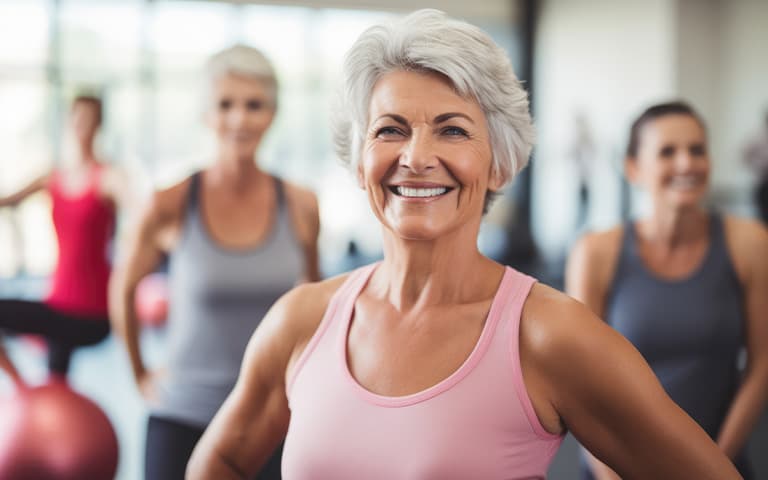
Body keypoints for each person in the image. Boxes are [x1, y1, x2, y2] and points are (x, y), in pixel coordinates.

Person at [187, 10, 742, 480]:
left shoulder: (549, 335)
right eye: (390, 129)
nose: (417, 156)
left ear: (499, 162)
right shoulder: (301, 321)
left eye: (452, 130)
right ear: (359, 160)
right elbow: (225, 459)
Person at [109, 44, 320, 480]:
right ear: (206, 114)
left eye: (254, 105)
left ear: (273, 114)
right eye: (225, 105)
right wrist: (140, 375)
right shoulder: (169, 203)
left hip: (270, 417)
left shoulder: (300, 204)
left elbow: (312, 305)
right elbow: (123, 288)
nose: (240, 119)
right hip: (183, 414)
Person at [567, 101, 768, 480]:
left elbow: (761, 366)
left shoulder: (750, 243)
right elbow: (580, 386)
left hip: (719, 464)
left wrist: (715, 467)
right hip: (616, 468)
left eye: (696, 150)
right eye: (667, 152)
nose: (685, 164)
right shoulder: (595, 252)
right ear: (633, 168)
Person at [0, 94, 127, 381]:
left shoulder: (107, 178)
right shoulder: (52, 177)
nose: (82, 125)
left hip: (93, 313)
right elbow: (7, 200)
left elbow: (140, 205)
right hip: (57, 302)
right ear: (69, 122)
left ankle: (24, 392)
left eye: (90, 119)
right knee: (56, 375)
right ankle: (30, 395)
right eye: (77, 118)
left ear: (99, 126)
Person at [743, 111, 768, 224]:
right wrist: (758, 166)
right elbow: (745, 155)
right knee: (763, 216)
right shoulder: (758, 137)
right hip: (763, 183)